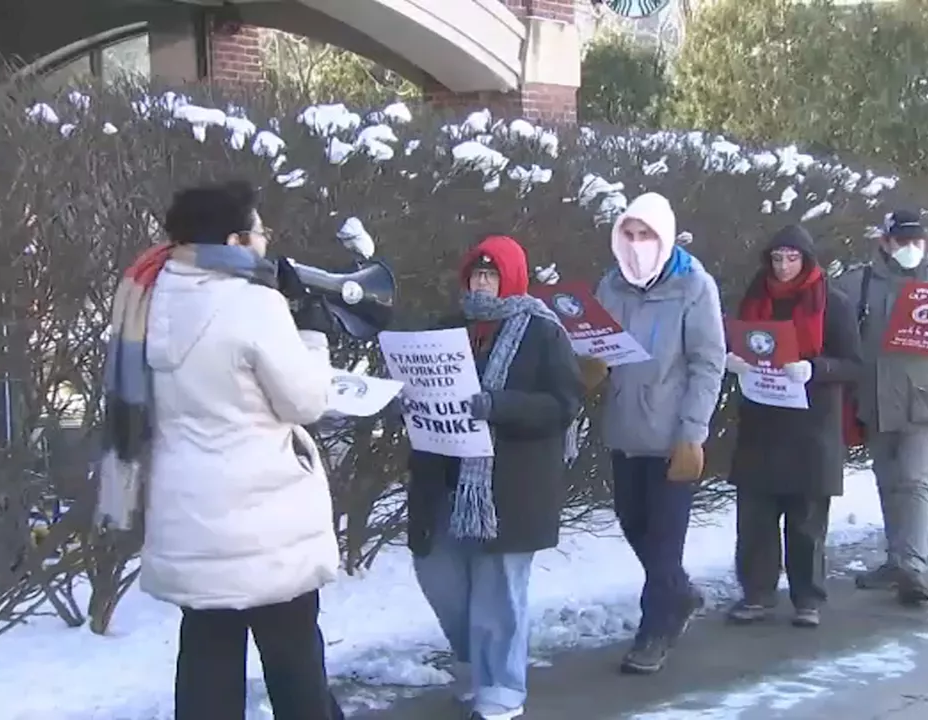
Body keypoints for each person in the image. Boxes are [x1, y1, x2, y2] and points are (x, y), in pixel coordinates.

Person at [95, 181, 346, 720]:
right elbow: (305, 401)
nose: (266, 240)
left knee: (207, 662)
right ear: (234, 241)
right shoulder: (254, 303)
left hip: (190, 517)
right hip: (266, 521)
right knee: (294, 660)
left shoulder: (146, 299)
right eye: (260, 231)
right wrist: (314, 340)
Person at [407, 235, 583, 720]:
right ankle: (474, 663)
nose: (482, 284)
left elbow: (563, 404)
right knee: (440, 576)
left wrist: (497, 406)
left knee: (499, 591)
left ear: (512, 278)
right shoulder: (449, 328)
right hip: (445, 480)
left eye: (491, 275)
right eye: (476, 275)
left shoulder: (542, 333)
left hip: (511, 487)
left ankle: (501, 688)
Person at [595, 192, 727, 674]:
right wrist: (589, 366)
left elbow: (707, 362)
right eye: (628, 234)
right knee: (634, 524)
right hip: (626, 429)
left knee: (665, 538)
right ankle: (681, 592)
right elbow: (599, 346)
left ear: (664, 237)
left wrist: (692, 433)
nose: (636, 244)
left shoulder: (694, 286)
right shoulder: (611, 285)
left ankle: (655, 631)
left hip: (673, 435)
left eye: (644, 235)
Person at [833, 210, 928, 606]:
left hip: (923, 396)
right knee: (888, 480)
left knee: (914, 481)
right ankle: (896, 558)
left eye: (918, 241)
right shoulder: (859, 282)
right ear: (886, 242)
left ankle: (911, 566)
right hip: (876, 395)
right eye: (902, 241)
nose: (911, 248)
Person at [724, 225, 860, 628]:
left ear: (807, 259)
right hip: (762, 422)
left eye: (792, 258)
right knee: (755, 519)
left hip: (811, 427)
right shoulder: (754, 297)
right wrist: (733, 360)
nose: (783, 267)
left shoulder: (832, 302)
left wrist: (815, 368)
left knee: (805, 521)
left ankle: (808, 597)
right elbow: (739, 339)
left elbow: (854, 363)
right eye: (777, 258)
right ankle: (757, 593)